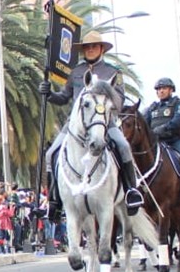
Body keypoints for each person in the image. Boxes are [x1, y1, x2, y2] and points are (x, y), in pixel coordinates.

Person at [41, 30, 144, 214]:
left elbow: (119, 101)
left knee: (123, 146)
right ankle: (55, 200)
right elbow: (64, 97)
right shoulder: (76, 72)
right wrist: (49, 94)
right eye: (87, 47)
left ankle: (131, 192)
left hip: (104, 124)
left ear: (101, 48)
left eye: (94, 46)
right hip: (75, 125)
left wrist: (106, 105)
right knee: (50, 154)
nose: (90, 49)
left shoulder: (113, 72)